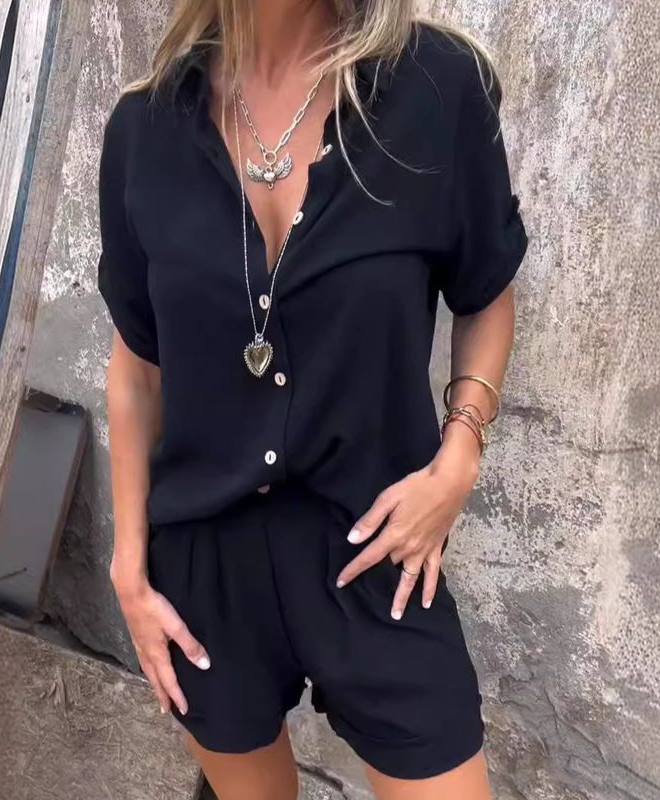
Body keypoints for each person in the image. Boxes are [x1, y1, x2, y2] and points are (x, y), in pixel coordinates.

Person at [97, 1, 528, 797]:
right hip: (205, 569)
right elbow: (136, 368)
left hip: (377, 549)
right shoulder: (144, 130)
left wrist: (460, 454)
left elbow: (486, 292)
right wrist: (129, 568)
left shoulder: (434, 89)